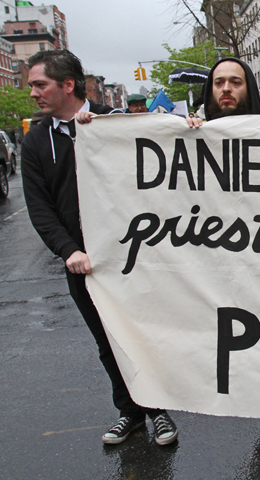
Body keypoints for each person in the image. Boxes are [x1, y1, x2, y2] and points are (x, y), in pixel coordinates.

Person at [21, 50, 179, 447]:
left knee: (143, 334)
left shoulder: (115, 122)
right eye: (31, 87)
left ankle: (158, 411)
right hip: (83, 266)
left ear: (67, 85)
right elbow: (39, 207)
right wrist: (68, 250)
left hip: (132, 258)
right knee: (107, 341)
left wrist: (190, 125)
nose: (33, 94)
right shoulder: (36, 141)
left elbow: (171, 149)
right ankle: (130, 412)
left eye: (40, 85)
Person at [185, 58, 260, 476]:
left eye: (235, 81)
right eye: (219, 82)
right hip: (219, 270)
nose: (226, 89)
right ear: (209, 89)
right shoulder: (191, 134)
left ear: (248, 87)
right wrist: (89, 123)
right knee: (246, 357)